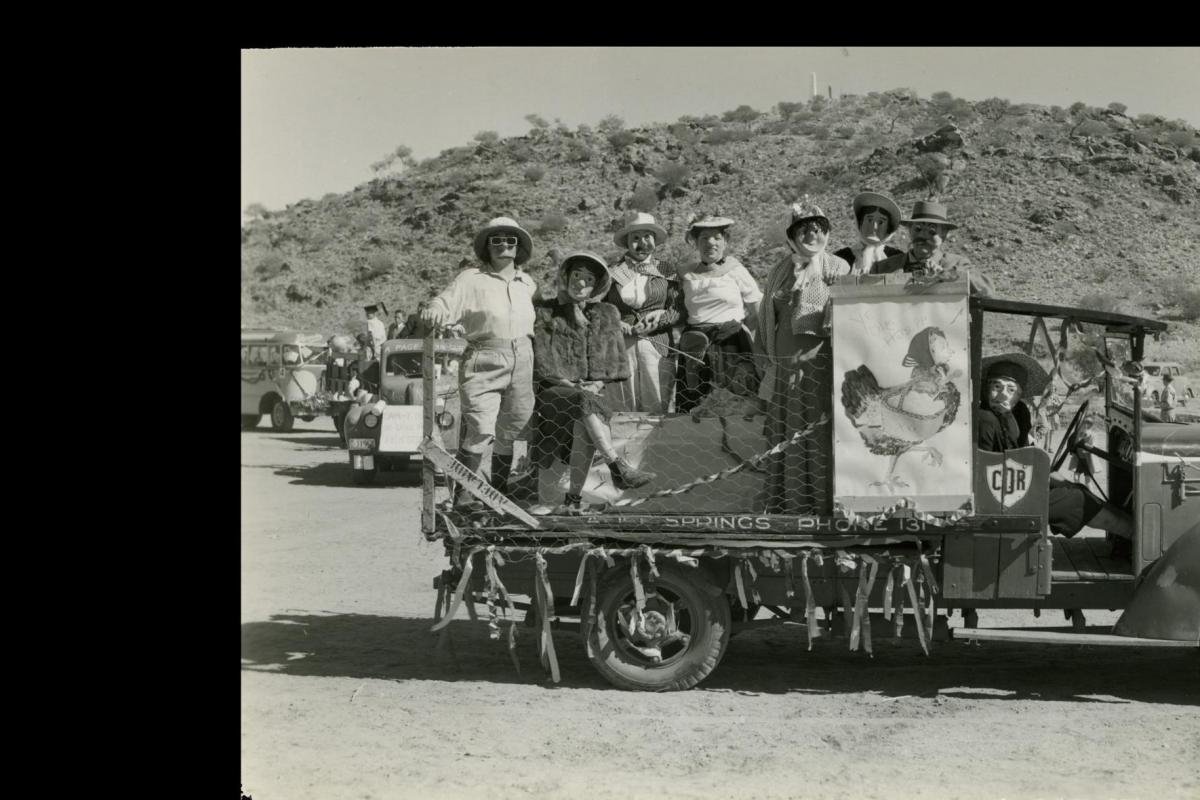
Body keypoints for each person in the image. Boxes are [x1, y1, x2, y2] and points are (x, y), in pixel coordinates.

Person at [422, 216, 538, 511]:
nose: (503, 245)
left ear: (518, 246)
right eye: (495, 239)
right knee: (480, 427)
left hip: (523, 358)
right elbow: (444, 302)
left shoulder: (527, 283)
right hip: (485, 357)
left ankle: (499, 492)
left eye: (509, 239)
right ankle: (464, 493)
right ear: (487, 245)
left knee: (511, 429)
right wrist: (434, 310)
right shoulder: (470, 279)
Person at [531, 251, 656, 514]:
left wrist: (595, 385)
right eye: (577, 276)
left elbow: (615, 364)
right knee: (584, 402)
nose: (581, 283)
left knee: (584, 418)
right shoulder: (546, 312)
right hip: (555, 390)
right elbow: (543, 362)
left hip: (589, 393)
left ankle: (574, 500)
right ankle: (616, 466)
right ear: (566, 277)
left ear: (596, 286)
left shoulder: (606, 313)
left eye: (588, 279)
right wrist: (573, 385)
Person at [758, 199, 856, 514]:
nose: (812, 235)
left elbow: (849, 316)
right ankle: (790, 502)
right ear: (793, 235)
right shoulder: (778, 271)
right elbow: (764, 319)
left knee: (819, 432)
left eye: (818, 229)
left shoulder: (839, 268)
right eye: (804, 230)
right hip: (786, 368)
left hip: (821, 367)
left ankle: (823, 503)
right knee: (787, 432)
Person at [977, 354, 1132, 541]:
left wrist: (1054, 477)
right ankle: (1136, 535)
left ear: (1019, 394)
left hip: (1017, 479)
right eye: (996, 387)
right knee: (1077, 499)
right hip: (1000, 494)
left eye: (1011, 390)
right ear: (986, 389)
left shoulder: (1019, 413)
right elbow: (985, 466)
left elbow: (1024, 451)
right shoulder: (984, 419)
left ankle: (1131, 532)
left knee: (1078, 489)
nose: (1003, 395)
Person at [675, 213, 763, 411]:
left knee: (734, 403)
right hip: (695, 348)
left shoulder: (736, 270)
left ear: (726, 241)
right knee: (696, 403)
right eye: (704, 237)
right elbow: (678, 309)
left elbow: (756, 309)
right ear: (696, 243)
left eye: (716, 237)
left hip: (732, 345)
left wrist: (738, 332)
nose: (710, 243)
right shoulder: (686, 274)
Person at [603, 211, 683, 413]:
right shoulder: (612, 272)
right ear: (627, 242)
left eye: (647, 237)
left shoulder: (667, 270)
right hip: (621, 346)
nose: (642, 243)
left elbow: (678, 308)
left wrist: (660, 320)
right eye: (635, 238)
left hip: (657, 346)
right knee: (622, 406)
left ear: (654, 241)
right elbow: (601, 308)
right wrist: (616, 322)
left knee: (657, 405)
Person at [872, 200, 993, 296]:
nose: (922, 236)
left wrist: (946, 275)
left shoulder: (958, 264)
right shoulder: (883, 267)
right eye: (918, 229)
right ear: (910, 230)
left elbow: (988, 290)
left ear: (944, 234)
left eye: (932, 231)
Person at [833, 190, 905, 273]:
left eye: (881, 222)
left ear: (889, 228)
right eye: (869, 220)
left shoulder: (898, 259)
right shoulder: (840, 258)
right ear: (859, 223)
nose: (874, 227)